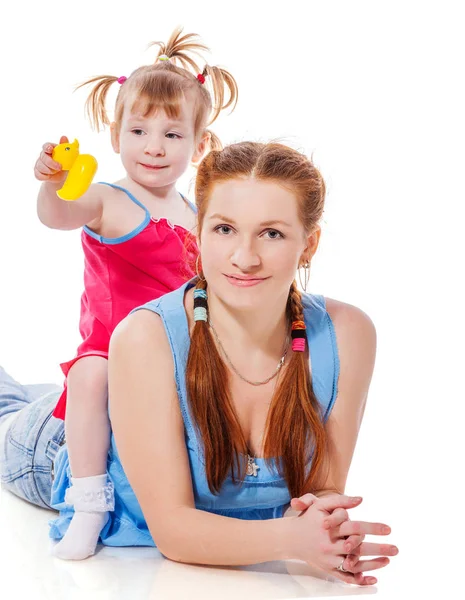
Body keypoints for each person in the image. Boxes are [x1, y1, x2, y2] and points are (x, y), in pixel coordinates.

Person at [1, 141, 398, 585]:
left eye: (272, 233)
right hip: (56, 446)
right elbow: (174, 533)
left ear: (310, 243)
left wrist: (329, 533)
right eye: (224, 229)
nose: (244, 258)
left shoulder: (349, 334)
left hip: (133, 405)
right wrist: (292, 541)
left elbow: (317, 495)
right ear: (199, 231)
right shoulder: (144, 336)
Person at [32, 27, 238, 560]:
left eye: (173, 135)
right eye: (139, 130)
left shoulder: (197, 215)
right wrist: (54, 184)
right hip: (112, 349)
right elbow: (58, 216)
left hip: (173, 354)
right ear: (115, 133)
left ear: (200, 145)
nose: (153, 146)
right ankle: (90, 500)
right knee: (89, 373)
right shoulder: (108, 199)